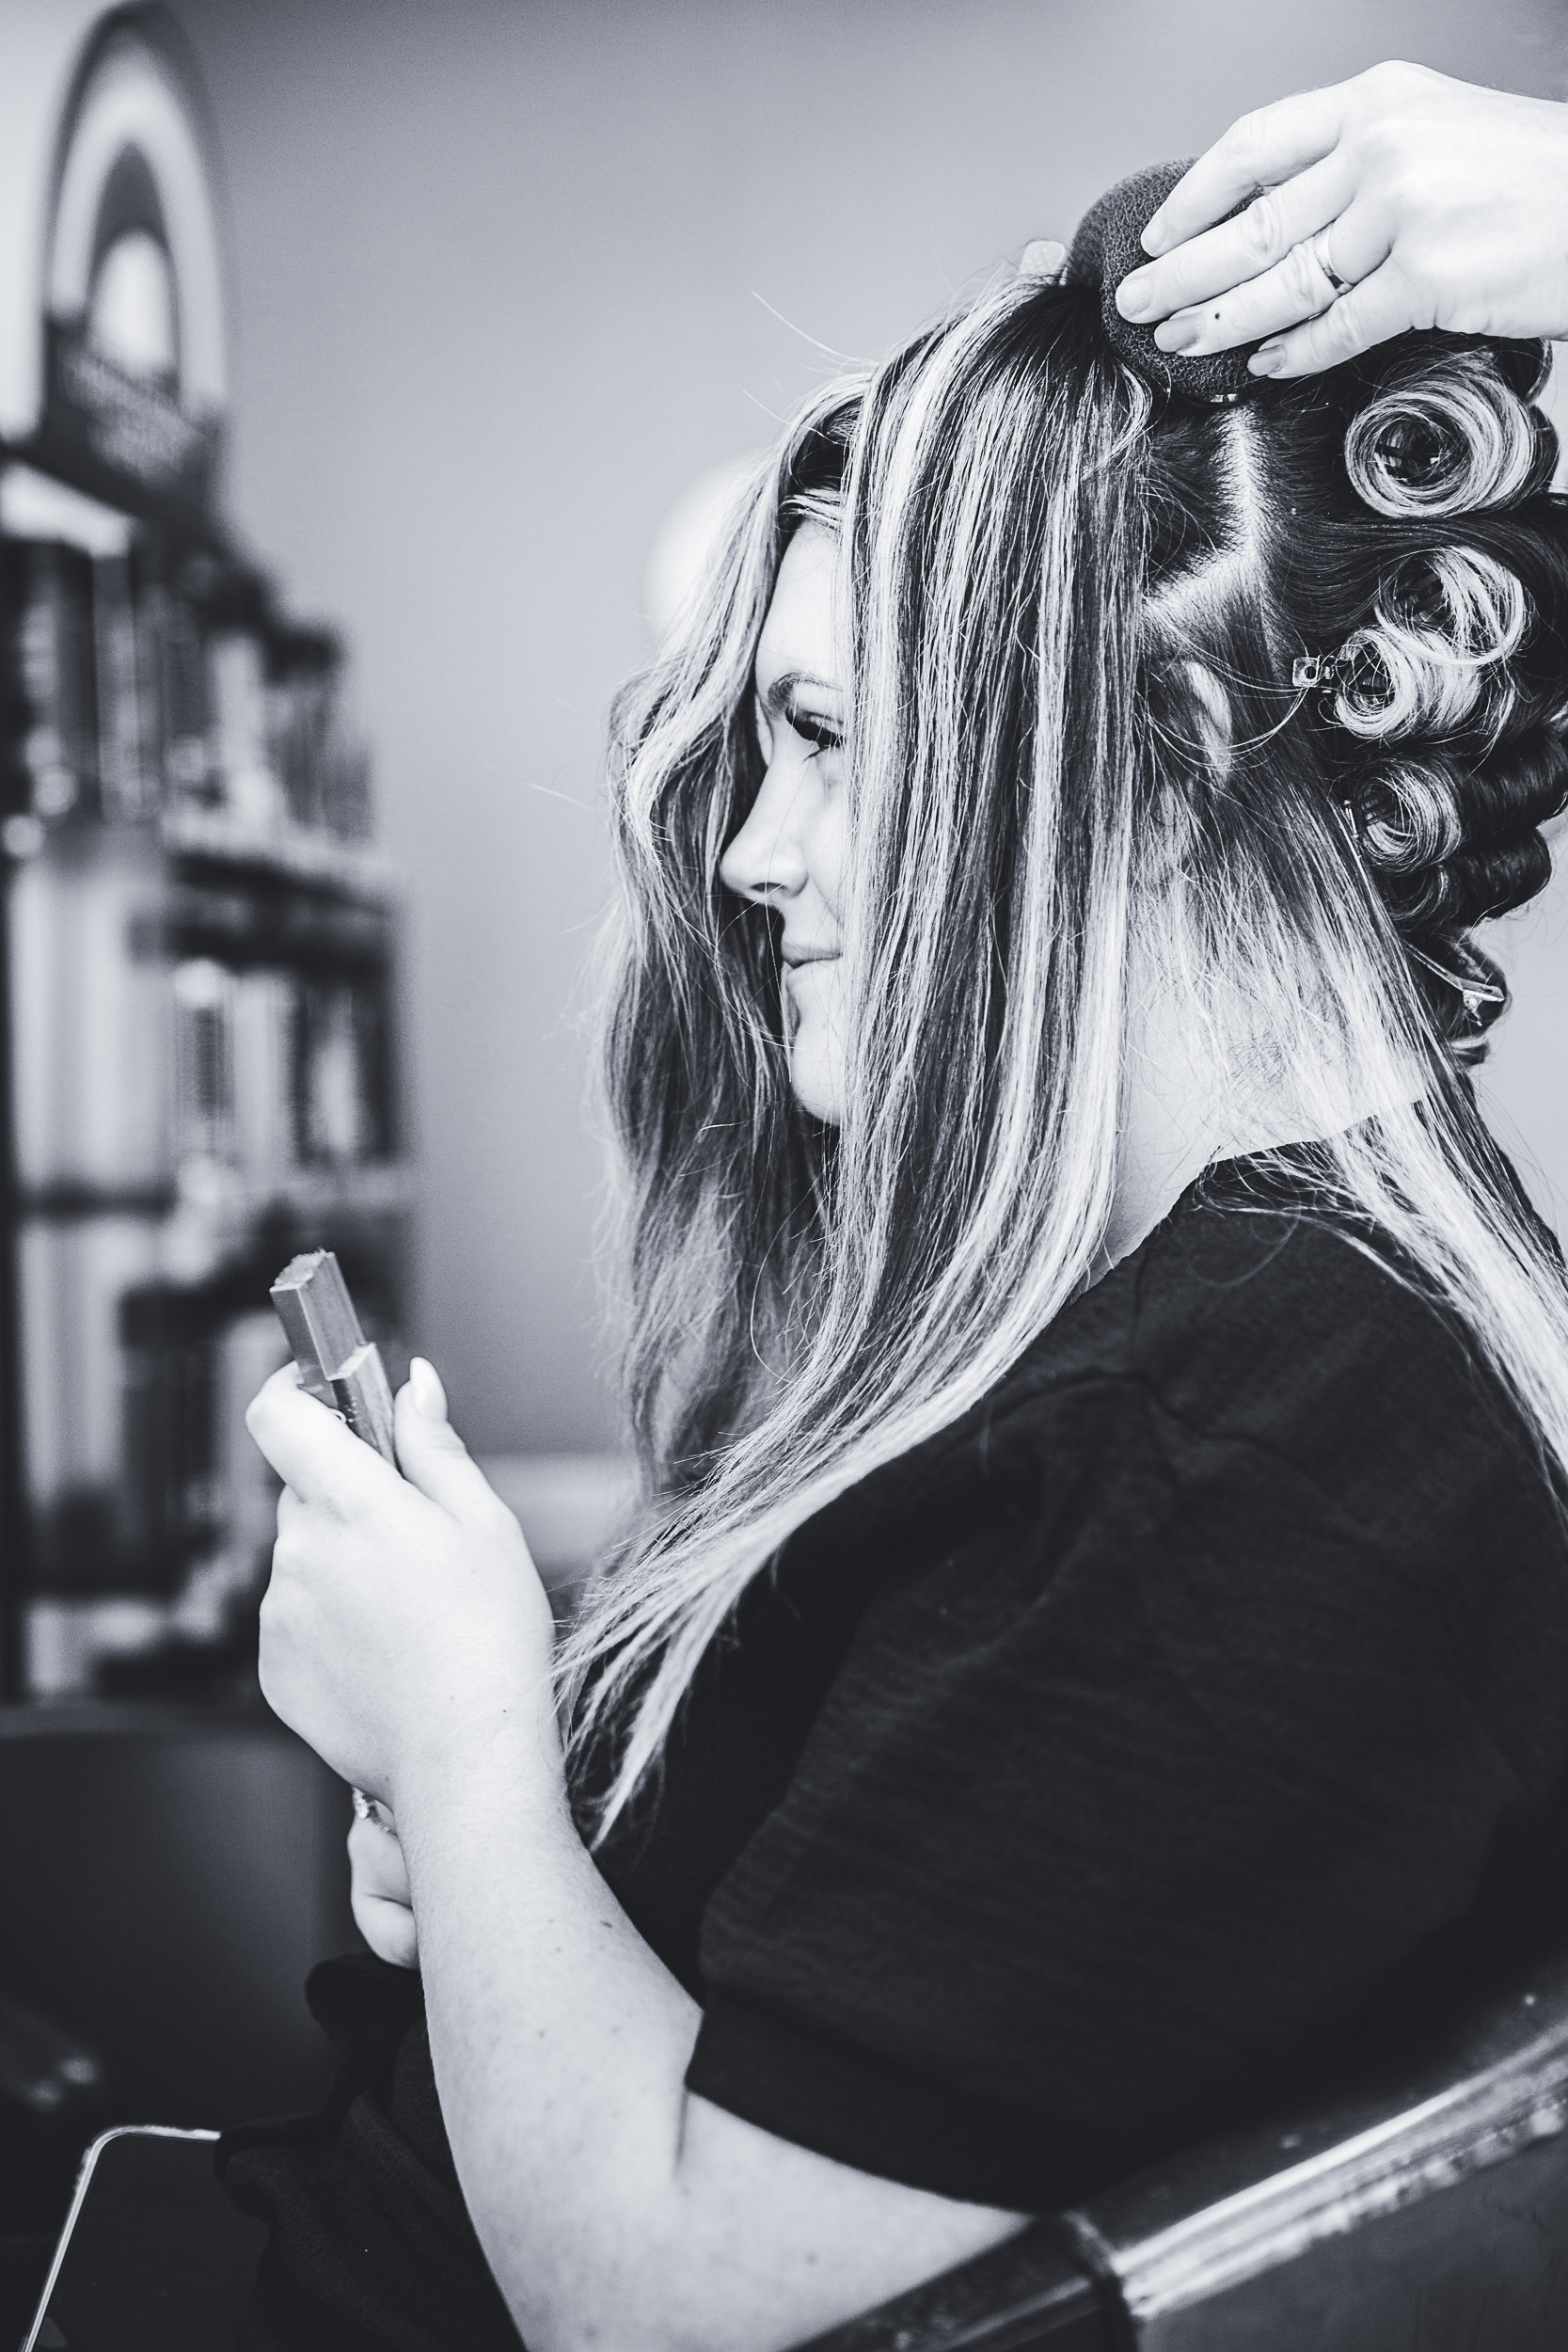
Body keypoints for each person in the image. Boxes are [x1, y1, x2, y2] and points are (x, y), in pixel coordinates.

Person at [227, 63, 1568, 2352]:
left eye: (831, 738)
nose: (756, 857)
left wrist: (463, 1743)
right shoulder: (1218, 1333)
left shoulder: (1264, 1441)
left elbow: (680, 2310)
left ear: (1152, 765)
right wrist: (518, 1847)